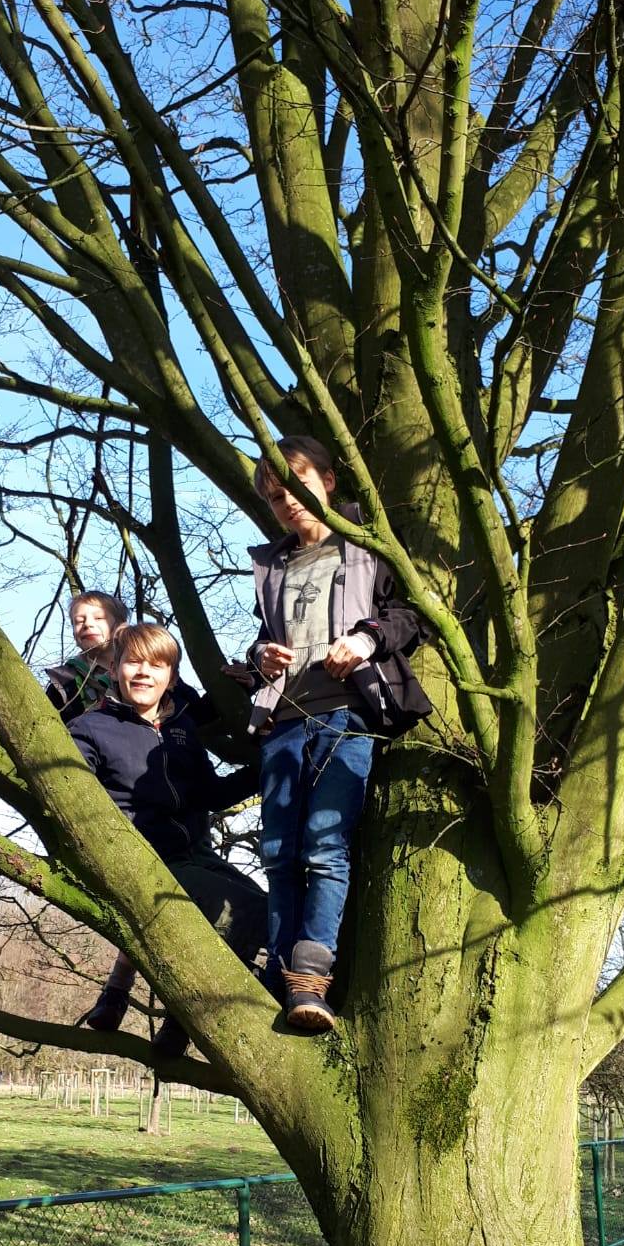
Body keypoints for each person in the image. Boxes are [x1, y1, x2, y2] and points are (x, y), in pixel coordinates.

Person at [244, 435, 432, 1034]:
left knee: (325, 846)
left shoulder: (367, 544)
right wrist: (260, 657)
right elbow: (260, 641)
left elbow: (415, 614)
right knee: (278, 855)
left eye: (296, 488)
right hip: (282, 721)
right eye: (275, 498)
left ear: (326, 480)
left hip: (348, 715)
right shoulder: (271, 564)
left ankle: (310, 976)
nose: (288, 504)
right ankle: (278, 975)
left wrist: (366, 639)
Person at [69, 622, 265, 1057]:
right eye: (133, 662)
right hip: (147, 860)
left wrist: (269, 770)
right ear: (116, 668)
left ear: (171, 677)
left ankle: (181, 1020)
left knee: (269, 912)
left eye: (156, 666)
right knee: (242, 909)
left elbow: (209, 793)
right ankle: (186, 1014)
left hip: (195, 854)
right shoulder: (90, 729)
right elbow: (76, 804)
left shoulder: (180, 730)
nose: (144, 674)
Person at [44, 591, 128, 724]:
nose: (87, 624)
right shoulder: (64, 684)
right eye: (78, 621)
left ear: (120, 627)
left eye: (99, 618)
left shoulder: (147, 672)